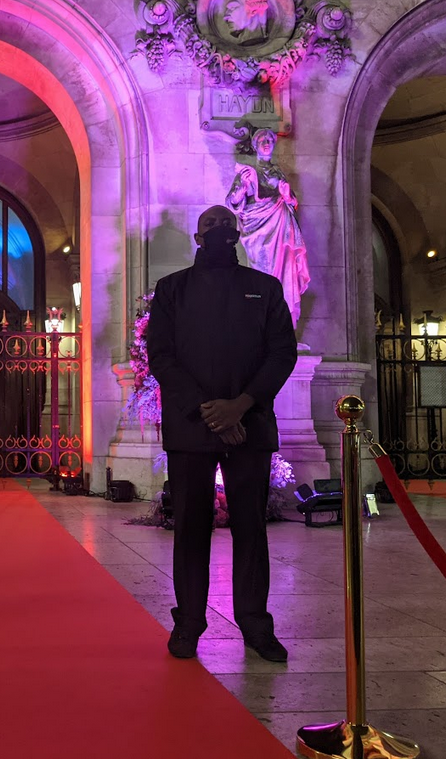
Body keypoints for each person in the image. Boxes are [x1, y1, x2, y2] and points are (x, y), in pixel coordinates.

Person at [147, 205, 297, 662]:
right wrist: (212, 412)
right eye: (210, 224)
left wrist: (241, 406)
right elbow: (162, 356)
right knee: (191, 529)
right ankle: (189, 623)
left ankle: (255, 624)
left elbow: (281, 353)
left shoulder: (265, 288)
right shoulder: (171, 289)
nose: (219, 229)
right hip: (193, 427)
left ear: (238, 232)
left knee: (251, 529)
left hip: (249, 425)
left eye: (226, 223)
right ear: (198, 237)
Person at [226, 128, 310, 327]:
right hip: (257, 233)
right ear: (255, 146)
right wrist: (242, 189)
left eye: (270, 140)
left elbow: (292, 203)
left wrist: (286, 192)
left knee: (284, 276)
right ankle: (260, 321)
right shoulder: (248, 172)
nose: (266, 143)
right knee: (261, 275)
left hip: (281, 231)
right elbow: (232, 202)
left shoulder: (277, 171)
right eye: (262, 140)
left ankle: (281, 320)